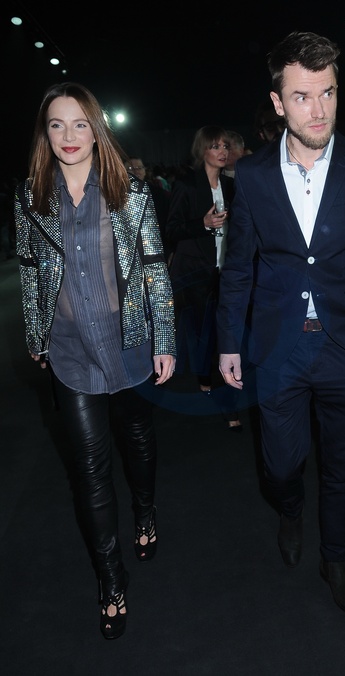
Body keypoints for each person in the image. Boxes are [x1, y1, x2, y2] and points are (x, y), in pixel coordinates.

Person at [217, 31, 345, 615]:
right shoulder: (252, 176)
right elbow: (238, 267)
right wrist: (229, 342)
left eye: (328, 93)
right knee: (280, 464)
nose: (318, 110)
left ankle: (335, 557)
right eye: (302, 96)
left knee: (343, 462)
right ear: (278, 103)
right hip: (277, 347)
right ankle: (290, 508)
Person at [15, 82, 176, 640]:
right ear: (45, 133)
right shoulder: (31, 197)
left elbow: (154, 267)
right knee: (90, 468)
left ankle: (146, 509)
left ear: (97, 129)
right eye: (57, 124)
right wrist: (36, 335)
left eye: (80, 123)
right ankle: (111, 579)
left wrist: (165, 339)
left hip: (128, 342)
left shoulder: (130, 191)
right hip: (69, 350)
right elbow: (31, 272)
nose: (69, 135)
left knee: (138, 440)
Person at [166, 125, 243, 431]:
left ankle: (222, 392)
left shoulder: (231, 185)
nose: (222, 152)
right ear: (202, 150)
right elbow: (171, 229)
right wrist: (203, 223)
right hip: (196, 271)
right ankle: (211, 383)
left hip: (228, 271)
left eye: (225, 146)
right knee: (208, 333)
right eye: (215, 146)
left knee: (226, 334)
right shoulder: (187, 185)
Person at [124, 156, 172, 262]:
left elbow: (168, 225)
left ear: (145, 171)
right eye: (131, 168)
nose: (136, 171)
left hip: (155, 253)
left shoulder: (159, 195)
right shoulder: (116, 196)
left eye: (139, 168)